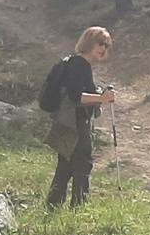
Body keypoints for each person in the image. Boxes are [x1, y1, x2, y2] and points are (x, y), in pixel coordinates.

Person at [46, 26, 116, 209]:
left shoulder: (76, 63)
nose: (103, 49)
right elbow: (76, 95)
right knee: (83, 163)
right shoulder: (80, 65)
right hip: (76, 122)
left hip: (68, 120)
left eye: (106, 45)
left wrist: (99, 94)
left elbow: (80, 92)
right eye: (100, 43)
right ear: (89, 43)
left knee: (66, 163)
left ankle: (53, 205)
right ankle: (79, 206)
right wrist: (102, 98)